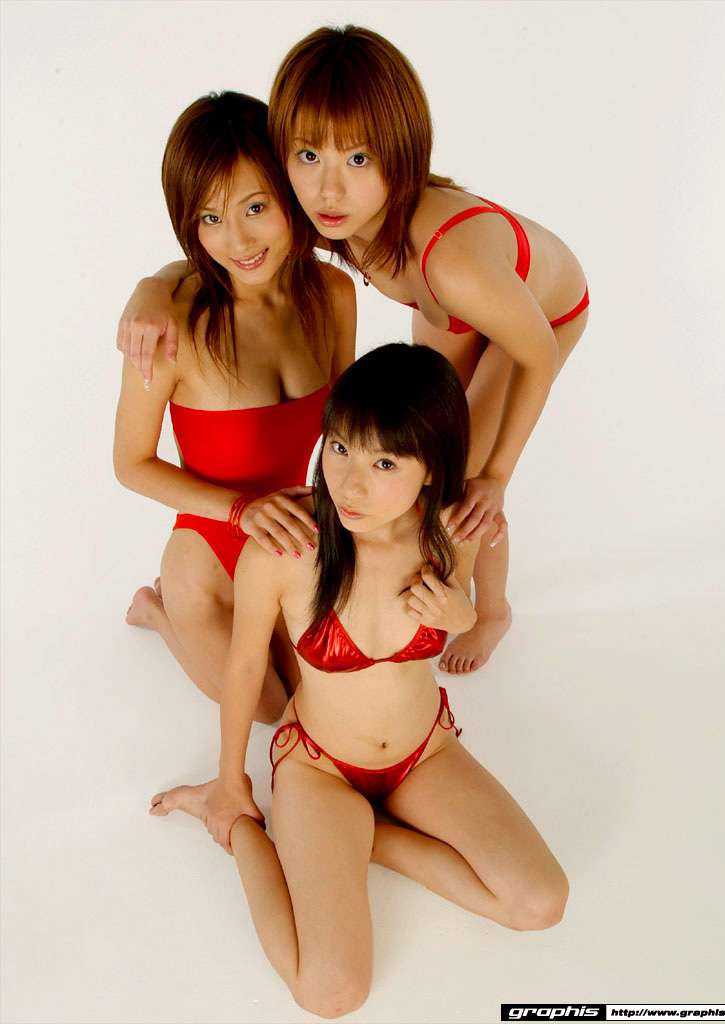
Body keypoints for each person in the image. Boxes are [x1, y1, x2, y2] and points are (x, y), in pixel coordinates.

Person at [117, 25, 590, 676]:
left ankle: (491, 611)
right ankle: (166, 612)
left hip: (534, 314)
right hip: (446, 303)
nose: (329, 190)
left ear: (399, 152)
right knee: (432, 452)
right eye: (309, 157)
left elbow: (535, 353)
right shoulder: (324, 216)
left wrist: (497, 479)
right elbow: (229, 243)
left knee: (457, 477)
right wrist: (152, 286)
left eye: (359, 159)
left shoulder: (442, 265)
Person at [149, 344, 569, 1020]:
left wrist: (463, 617)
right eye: (340, 448)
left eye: (384, 464)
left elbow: (470, 596)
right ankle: (239, 834)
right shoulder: (287, 548)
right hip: (321, 769)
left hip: (425, 754)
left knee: (539, 903)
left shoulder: (452, 533)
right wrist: (231, 786)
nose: (349, 484)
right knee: (330, 993)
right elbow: (246, 667)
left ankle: (372, 835)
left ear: (432, 469)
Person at [113, 92, 355, 721]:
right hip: (210, 554)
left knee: (325, 698)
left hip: (294, 540)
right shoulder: (169, 325)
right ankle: (161, 612)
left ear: (289, 193)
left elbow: (347, 430)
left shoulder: (331, 293)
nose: (238, 240)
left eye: (256, 207)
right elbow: (131, 464)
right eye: (210, 218)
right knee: (272, 709)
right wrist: (242, 511)